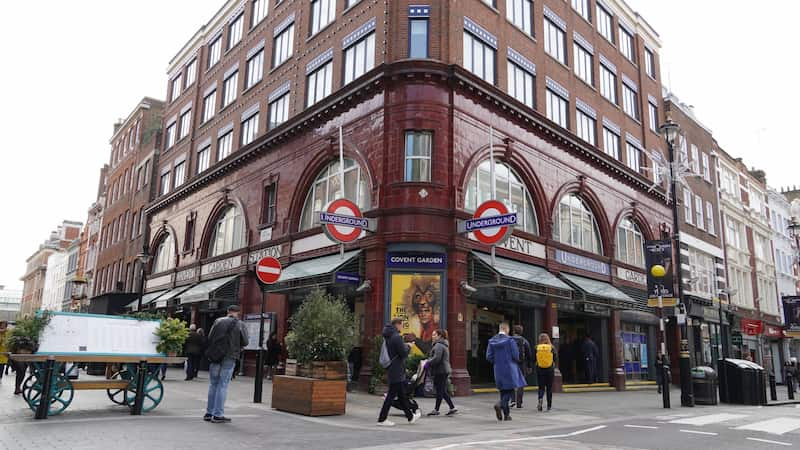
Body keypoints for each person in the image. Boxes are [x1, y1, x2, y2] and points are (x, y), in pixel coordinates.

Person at [204, 305, 248, 423]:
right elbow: (245, 341)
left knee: (213, 384)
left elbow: (210, 337)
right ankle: (218, 414)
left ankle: (209, 413)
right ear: (238, 312)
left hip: (216, 356)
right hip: (230, 356)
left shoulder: (217, 321)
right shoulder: (240, 324)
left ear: (228, 311)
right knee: (222, 385)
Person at [377, 318, 422, 426]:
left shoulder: (388, 336)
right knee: (391, 395)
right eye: (402, 325)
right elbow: (403, 353)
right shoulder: (396, 337)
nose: (402, 327)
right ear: (397, 325)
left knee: (402, 395)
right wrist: (409, 346)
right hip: (396, 369)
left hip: (393, 369)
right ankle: (382, 419)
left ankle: (410, 417)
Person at [486, 322, 526, 421]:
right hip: (510, 368)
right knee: (511, 390)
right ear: (506, 329)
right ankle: (499, 404)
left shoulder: (491, 341)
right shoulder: (510, 341)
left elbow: (488, 357)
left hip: (498, 369)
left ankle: (507, 415)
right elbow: (516, 356)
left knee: (503, 391)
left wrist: (497, 361)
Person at [426, 329, 457, 416]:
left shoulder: (439, 345)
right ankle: (451, 407)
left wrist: (428, 362)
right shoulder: (442, 344)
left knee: (440, 390)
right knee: (441, 390)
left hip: (440, 370)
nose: (432, 336)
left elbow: (437, 358)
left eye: (434, 335)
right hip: (442, 370)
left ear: (439, 336)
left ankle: (438, 409)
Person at [510, 325, 533, 408]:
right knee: (520, 383)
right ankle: (519, 403)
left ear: (514, 331)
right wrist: (529, 366)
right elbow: (529, 355)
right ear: (521, 332)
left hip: (511, 364)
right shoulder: (524, 341)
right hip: (521, 364)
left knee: (512, 382)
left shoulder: (509, 340)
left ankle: (512, 400)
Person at [535, 333, 557, 412]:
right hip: (549, 369)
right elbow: (555, 358)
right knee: (549, 388)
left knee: (541, 387)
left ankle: (540, 399)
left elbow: (534, 358)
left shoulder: (537, 347)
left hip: (540, 369)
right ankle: (549, 405)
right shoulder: (551, 348)